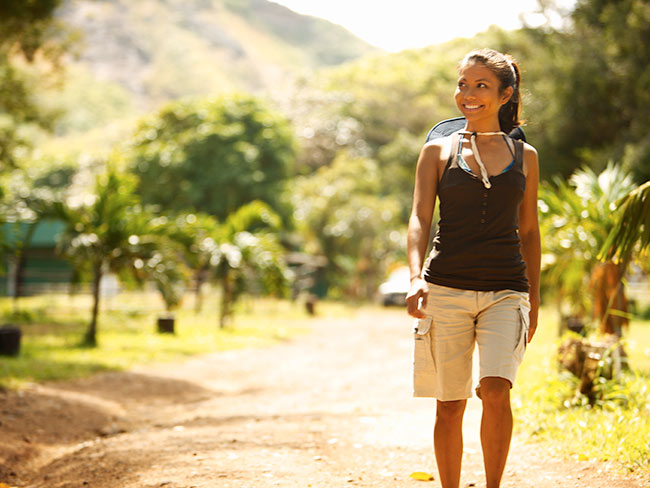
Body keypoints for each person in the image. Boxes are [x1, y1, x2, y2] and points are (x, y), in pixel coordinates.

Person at [405, 48, 541, 488]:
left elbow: (529, 233)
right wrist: (415, 277)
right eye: (463, 84)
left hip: (506, 288)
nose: (468, 94)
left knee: (497, 390)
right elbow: (420, 218)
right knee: (450, 403)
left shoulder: (526, 156)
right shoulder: (437, 151)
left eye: (481, 85)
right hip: (446, 287)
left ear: (505, 95)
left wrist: (534, 298)